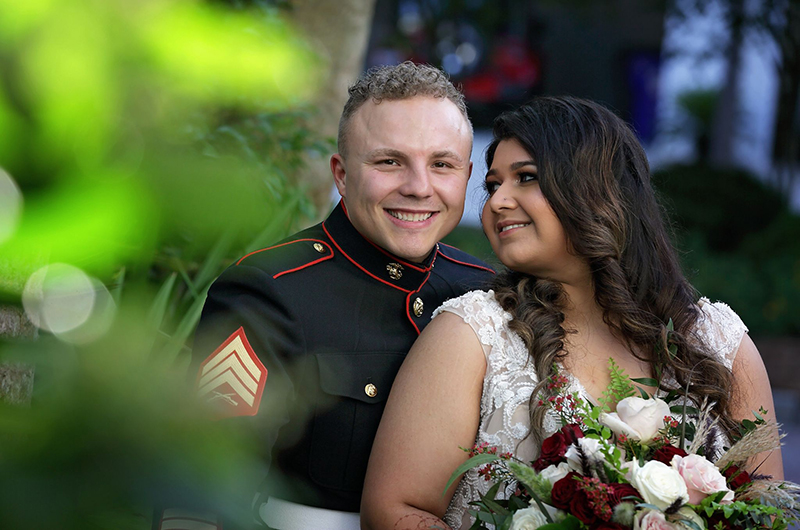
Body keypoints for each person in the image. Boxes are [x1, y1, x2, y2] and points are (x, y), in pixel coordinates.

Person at [360, 96, 784, 530]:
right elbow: (394, 510)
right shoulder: (472, 335)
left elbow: (764, 514)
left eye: (525, 178)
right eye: (492, 185)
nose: (497, 202)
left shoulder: (719, 342)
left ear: (596, 189)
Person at [155, 62, 494, 530]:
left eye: (442, 164)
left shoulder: (483, 289)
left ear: (467, 175)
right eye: (389, 161)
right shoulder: (269, 291)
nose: (419, 187)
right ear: (341, 174)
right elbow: (198, 485)